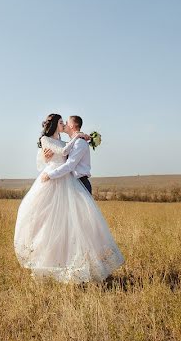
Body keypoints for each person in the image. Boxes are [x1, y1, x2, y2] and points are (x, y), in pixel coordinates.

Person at [13, 113, 125, 283]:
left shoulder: (67, 142)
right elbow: (55, 155)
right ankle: (47, 262)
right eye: (60, 122)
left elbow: (68, 153)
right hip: (52, 177)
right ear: (54, 125)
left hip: (65, 179)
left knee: (69, 224)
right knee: (47, 221)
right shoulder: (46, 139)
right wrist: (47, 157)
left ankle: (74, 265)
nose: (63, 124)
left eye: (64, 122)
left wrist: (80, 137)